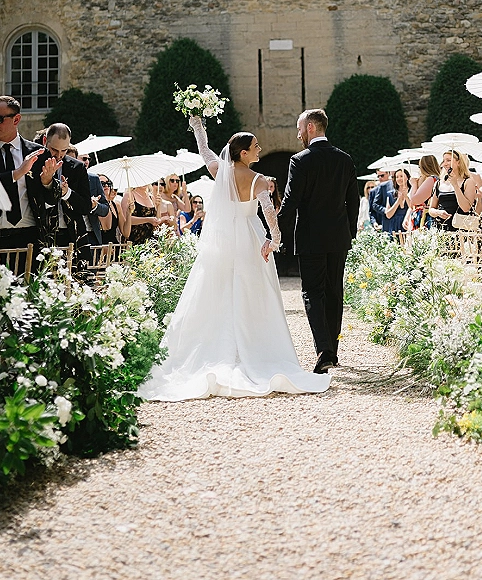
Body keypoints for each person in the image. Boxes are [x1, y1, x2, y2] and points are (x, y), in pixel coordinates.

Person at [139, 117, 330, 401]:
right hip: (250, 239)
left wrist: (198, 127)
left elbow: (206, 153)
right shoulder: (259, 181)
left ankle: (220, 348)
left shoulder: (221, 172)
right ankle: (253, 349)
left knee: (220, 290)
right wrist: (274, 241)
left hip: (225, 240)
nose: (259, 148)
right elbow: (269, 215)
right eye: (255, 146)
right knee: (253, 294)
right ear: (243, 153)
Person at [277, 109, 359, 374]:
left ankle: (324, 350)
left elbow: (290, 202)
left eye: (300, 128)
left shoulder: (300, 161)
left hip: (311, 237)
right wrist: (350, 232)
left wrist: (275, 232)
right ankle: (332, 353)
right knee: (335, 291)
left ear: (311, 127)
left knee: (313, 292)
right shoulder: (344, 159)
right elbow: (353, 202)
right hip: (338, 237)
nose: (298, 133)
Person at [0, 96, 47, 250]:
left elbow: (49, 199)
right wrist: (18, 173)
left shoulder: (37, 153)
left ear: (16, 119)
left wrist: (49, 182)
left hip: (32, 237)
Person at [66, 144, 109, 246]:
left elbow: (105, 209)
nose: (86, 162)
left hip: (91, 235)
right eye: (83, 158)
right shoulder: (58, 178)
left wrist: (94, 206)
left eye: (88, 159)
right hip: (68, 234)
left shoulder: (94, 179)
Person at [429, 150, 476, 230]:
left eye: (448, 160)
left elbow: (466, 208)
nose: (445, 163)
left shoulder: (468, 182)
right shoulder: (439, 183)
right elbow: (431, 209)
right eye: (444, 161)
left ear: (458, 162)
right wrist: (438, 212)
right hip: (441, 229)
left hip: (460, 229)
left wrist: (455, 185)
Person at [97, 175, 132, 244]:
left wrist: (129, 213)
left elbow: (126, 233)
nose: (106, 186)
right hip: (96, 250)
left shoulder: (116, 205)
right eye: (102, 184)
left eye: (108, 183)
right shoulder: (91, 206)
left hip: (114, 248)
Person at [409, 155, 440, 230]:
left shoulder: (431, 179)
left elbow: (415, 200)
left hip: (426, 219)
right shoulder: (434, 179)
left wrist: (414, 185)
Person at [382, 168, 412, 234]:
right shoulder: (390, 194)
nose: (399, 179)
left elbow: (412, 207)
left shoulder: (412, 191)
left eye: (401, 176)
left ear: (407, 177)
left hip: (408, 224)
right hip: (394, 226)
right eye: (397, 177)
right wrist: (398, 201)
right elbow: (388, 215)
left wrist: (406, 196)